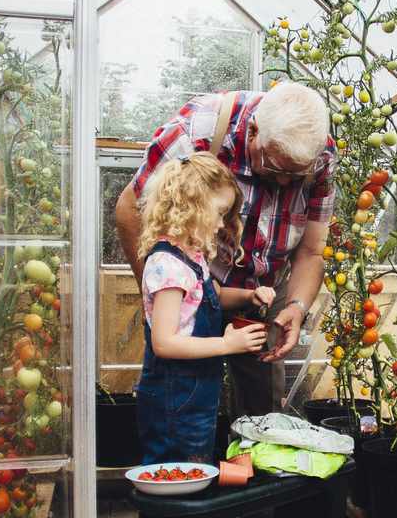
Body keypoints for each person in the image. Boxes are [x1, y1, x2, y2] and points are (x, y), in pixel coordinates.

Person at [116, 81, 335, 422]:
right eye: (277, 170)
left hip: (259, 293)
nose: (284, 184)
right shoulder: (197, 131)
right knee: (183, 398)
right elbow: (130, 209)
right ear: (254, 131)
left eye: (297, 176)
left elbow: (311, 251)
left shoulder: (317, 153)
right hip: (194, 282)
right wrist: (160, 294)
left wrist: (296, 305)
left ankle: (250, 469)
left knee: (261, 411)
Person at [133, 153, 276, 465]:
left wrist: (249, 297)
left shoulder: (191, 256)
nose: (223, 222)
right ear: (192, 207)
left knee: (194, 468)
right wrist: (227, 344)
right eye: (220, 212)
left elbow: (213, 296)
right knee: (175, 471)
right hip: (174, 400)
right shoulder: (168, 266)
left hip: (194, 396)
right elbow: (164, 342)